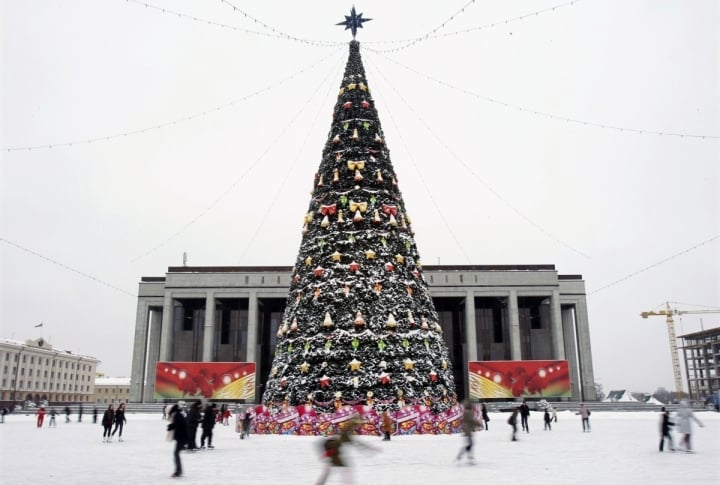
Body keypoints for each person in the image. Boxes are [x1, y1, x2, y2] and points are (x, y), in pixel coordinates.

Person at [315, 416, 377, 485]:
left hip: (333, 448)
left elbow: (357, 442)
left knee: (332, 468)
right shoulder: (346, 431)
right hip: (332, 448)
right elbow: (349, 436)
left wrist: (369, 448)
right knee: (342, 468)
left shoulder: (347, 433)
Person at [167, 403, 188, 478]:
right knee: (176, 453)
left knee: (176, 453)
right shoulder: (178, 414)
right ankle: (178, 471)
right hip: (182, 437)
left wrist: (170, 427)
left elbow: (177, 425)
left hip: (181, 437)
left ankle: (178, 471)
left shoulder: (176, 415)